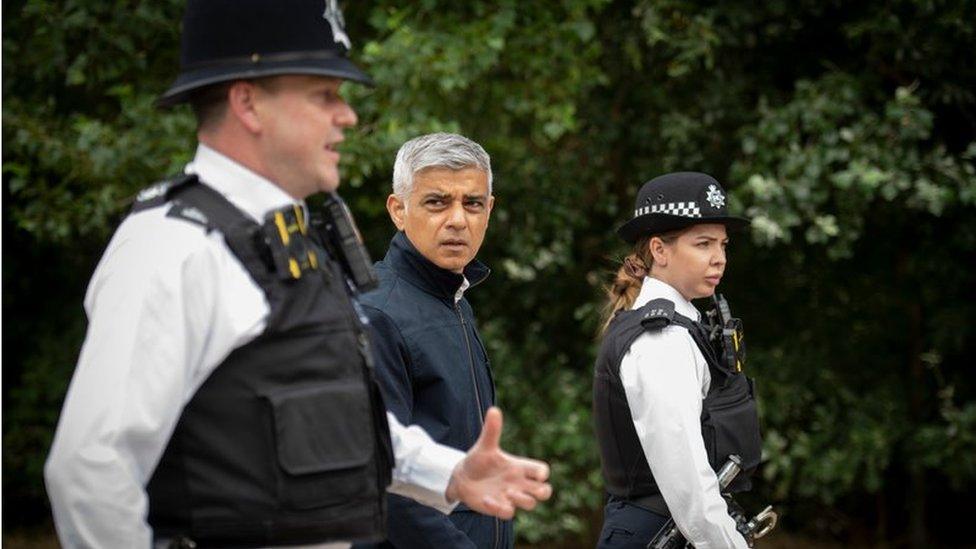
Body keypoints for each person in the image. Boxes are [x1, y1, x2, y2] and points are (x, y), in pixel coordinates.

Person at [43, 1, 551, 548]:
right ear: (249, 103)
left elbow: (337, 421)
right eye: (324, 95)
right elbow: (91, 470)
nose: (347, 116)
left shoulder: (291, 240)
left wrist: (447, 474)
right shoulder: (173, 247)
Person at [354, 133, 512, 549]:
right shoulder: (378, 313)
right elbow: (385, 480)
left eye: (473, 203)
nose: (458, 219)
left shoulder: (454, 298)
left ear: (489, 210)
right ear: (398, 210)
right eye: (437, 202)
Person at [592, 172, 763, 548]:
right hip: (659, 532)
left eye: (722, 244)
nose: (718, 258)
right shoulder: (662, 339)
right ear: (659, 250)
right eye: (703, 244)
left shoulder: (683, 324)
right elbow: (687, 481)